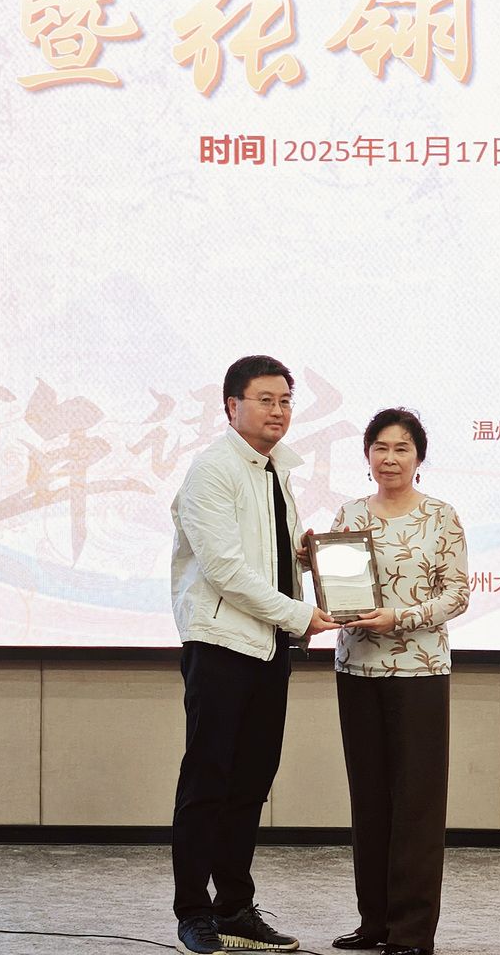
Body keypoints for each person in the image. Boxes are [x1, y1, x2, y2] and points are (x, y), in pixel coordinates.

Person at [170, 355, 339, 955]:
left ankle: (235, 907)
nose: (279, 411)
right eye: (265, 400)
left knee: (250, 785)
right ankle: (194, 912)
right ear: (231, 406)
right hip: (221, 645)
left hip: (268, 647)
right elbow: (223, 569)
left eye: (286, 400)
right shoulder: (213, 469)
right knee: (207, 782)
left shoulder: (276, 472)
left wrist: (306, 559)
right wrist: (297, 614)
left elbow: (265, 560)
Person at [328, 408, 469, 955]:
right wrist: (310, 565)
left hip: (419, 672)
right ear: (367, 455)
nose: (389, 458)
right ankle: (375, 923)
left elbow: (457, 594)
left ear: (418, 457)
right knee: (368, 799)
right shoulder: (348, 514)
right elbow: (337, 586)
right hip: (356, 669)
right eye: (380, 448)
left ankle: (411, 933)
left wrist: (402, 618)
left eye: (401, 448)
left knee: (416, 804)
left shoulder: (441, 517)